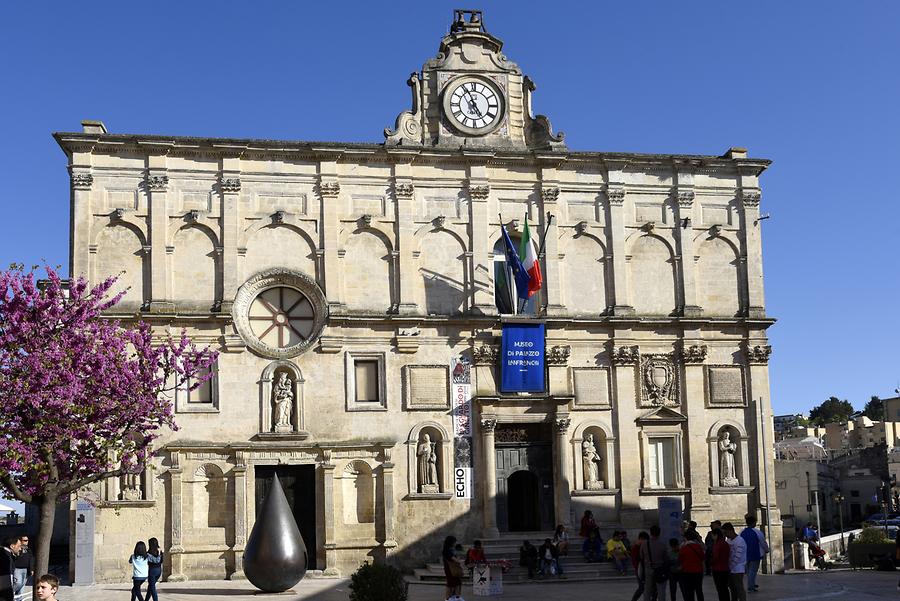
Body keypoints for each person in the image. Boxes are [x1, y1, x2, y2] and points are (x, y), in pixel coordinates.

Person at [739, 515, 768, 593]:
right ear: (753, 523)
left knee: (749, 571)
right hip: (755, 553)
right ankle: (751, 586)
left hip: (745, 554)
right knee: (753, 571)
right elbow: (763, 542)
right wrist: (766, 550)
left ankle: (751, 583)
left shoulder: (742, 532)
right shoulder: (757, 532)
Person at [640, 525, 670, 601]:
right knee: (661, 591)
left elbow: (641, 556)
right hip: (660, 569)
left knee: (647, 590)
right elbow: (666, 558)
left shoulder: (644, 544)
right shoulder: (663, 545)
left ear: (650, 533)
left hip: (648, 568)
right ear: (659, 533)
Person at [679, 530, 706, 601]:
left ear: (685, 538)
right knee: (699, 590)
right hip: (698, 571)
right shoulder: (698, 547)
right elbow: (703, 557)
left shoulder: (683, 548)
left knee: (689, 591)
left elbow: (680, 559)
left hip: (687, 572)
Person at [723, 523, 747, 601]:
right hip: (730, 569)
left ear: (730, 531)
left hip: (738, 569)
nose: (725, 535)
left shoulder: (740, 541)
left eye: (726, 533)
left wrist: (730, 566)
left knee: (739, 588)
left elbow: (737, 556)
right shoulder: (728, 540)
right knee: (732, 589)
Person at [709, 528, 731, 601]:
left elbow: (715, 557)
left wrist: (710, 562)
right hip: (725, 568)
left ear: (716, 535)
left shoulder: (717, 545)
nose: (712, 537)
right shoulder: (725, 543)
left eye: (713, 535)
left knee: (720, 589)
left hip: (718, 569)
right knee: (725, 588)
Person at [0, 537, 22, 601]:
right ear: (12, 546)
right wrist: (9, 596)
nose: (20, 549)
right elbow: (6, 579)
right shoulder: (6, 557)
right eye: (19, 546)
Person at [441, 535, 463, 600]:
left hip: (450, 568)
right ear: (451, 542)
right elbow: (454, 559)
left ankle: (455, 597)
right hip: (450, 569)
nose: (455, 543)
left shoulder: (448, 549)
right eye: (454, 542)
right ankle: (448, 598)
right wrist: (459, 560)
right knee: (451, 584)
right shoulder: (447, 550)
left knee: (456, 583)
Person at [630, 532, 650, 601]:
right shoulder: (635, 548)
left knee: (645, 587)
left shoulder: (643, 546)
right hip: (640, 569)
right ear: (641, 539)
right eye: (645, 540)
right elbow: (635, 561)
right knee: (642, 587)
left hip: (645, 569)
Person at [12, 535, 32, 601]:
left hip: (26, 570)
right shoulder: (17, 549)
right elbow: (14, 558)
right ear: (20, 541)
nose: (27, 542)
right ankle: (8, 593)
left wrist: (31, 569)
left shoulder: (28, 549)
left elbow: (31, 560)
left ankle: (18, 599)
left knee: (22, 586)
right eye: (25, 540)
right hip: (18, 569)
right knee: (18, 583)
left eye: (27, 540)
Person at [145, 537, 163, 601]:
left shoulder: (148, 553)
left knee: (152, 588)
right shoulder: (159, 552)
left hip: (152, 571)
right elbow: (161, 561)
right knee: (150, 587)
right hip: (159, 570)